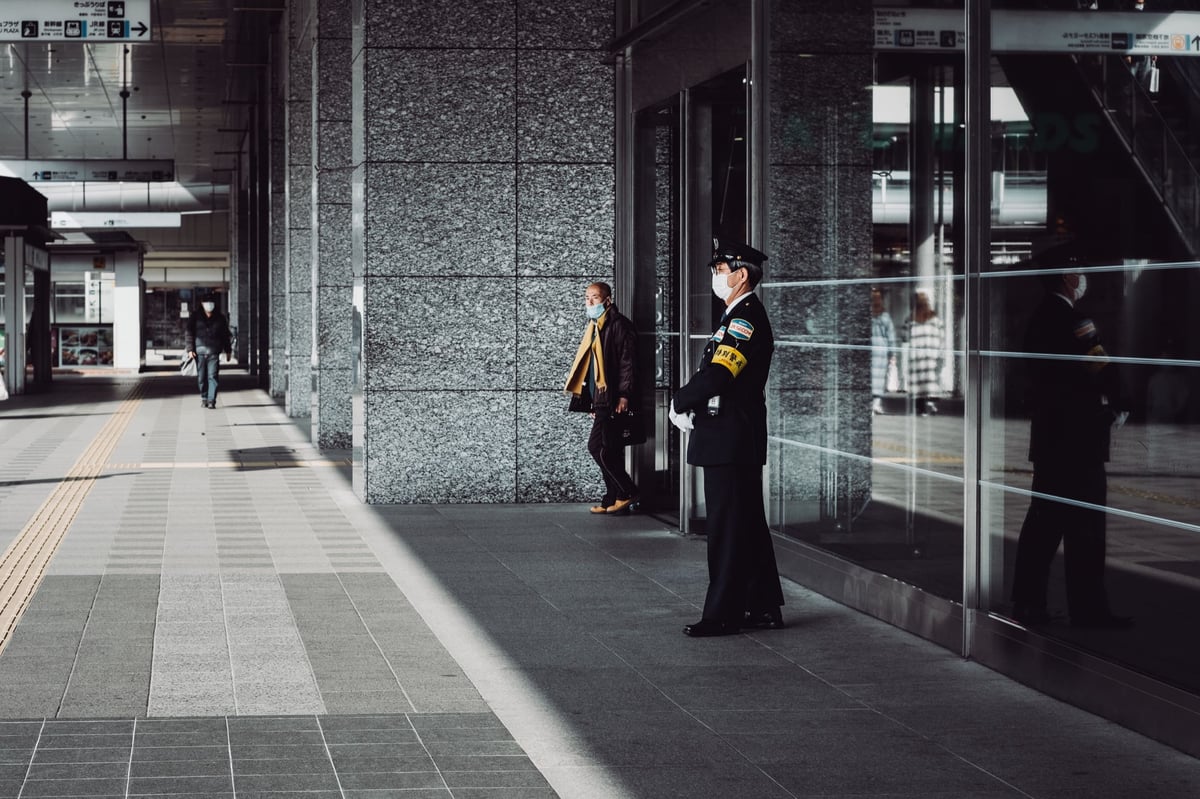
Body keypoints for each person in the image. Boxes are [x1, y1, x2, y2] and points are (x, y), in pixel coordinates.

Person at [669, 237, 784, 637]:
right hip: (731, 436)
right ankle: (763, 606)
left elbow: (720, 374)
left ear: (741, 276)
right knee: (745, 523)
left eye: (720, 270)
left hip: (731, 438)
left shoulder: (744, 318)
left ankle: (723, 614)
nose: (715, 277)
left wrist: (680, 400)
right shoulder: (737, 314)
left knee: (727, 528)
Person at [1010, 266, 1131, 629]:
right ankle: (1089, 610)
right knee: (1086, 529)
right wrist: (1120, 400)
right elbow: (1100, 364)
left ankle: (1028, 603)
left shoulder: (1037, 319)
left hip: (1050, 439)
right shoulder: (1074, 321)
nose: (1083, 277)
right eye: (1079, 271)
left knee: (1043, 526)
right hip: (1081, 440)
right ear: (1067, 278)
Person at [564, 282, 640, 514]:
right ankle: (612, 499)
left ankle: (627, 491)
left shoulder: (618, 325)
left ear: (608, 300)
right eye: (586, 297)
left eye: (595, 298)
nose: (589, 302)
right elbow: (591, 369)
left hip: (614, 398)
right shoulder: (595, 326)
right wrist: (591, 401)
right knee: (607, 449)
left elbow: (628, 363)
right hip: (602, 399)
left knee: (599, 447)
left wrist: (624, 395)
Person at [185, 294, 232, 409]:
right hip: (199, 352)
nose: (209, 304)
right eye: (206, 302)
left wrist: (228, 350)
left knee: (213, 376)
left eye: (211, 302)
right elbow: (189, 333)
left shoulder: (220, 317)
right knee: (201, 377)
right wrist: (190, 349)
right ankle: (204, 397)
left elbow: (225, 335)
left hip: (214, 351)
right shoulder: (195, 316)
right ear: (202, 303)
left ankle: (211, 400)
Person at [904, 286, 945, 416]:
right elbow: (942, 337)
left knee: (920, 382)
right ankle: (930, 403)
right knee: (931, 380)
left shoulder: (911, 318)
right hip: (930, 355)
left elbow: (905, 337)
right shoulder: (935, 319)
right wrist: (941, 352)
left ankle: (923, 407)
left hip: (918, 356)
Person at [870, 287, 897, 415]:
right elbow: (891, 337)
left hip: (869, 348)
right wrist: (893, 354)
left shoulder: (867, 316)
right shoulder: (885, 317)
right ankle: (876, 404)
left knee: (869, 376)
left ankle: (870, 404)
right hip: (881, 350)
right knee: (880, 377)